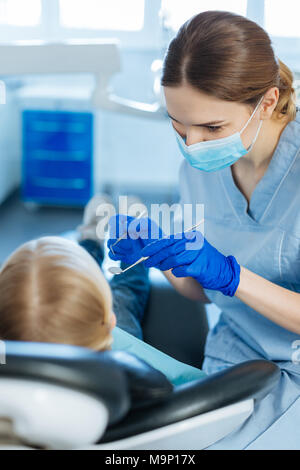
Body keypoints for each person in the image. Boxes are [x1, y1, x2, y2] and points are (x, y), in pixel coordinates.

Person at [107, 11, 300, 449]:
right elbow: (200, 292)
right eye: (180, 127)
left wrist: (232, 275)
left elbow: (223, 279)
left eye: (212, 128)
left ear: (266, 103)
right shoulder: (198, 171)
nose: (193, 145)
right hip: (233, 362)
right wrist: (161, 255)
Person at [0, 195, 206, 388]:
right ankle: (126, 246)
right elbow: (198, 385)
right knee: (126, 291)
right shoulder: (139, 371)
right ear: (111, 321)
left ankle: (91, 242)